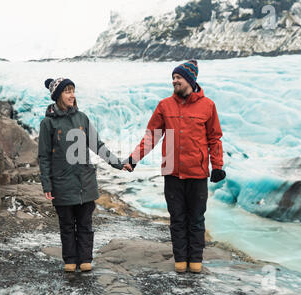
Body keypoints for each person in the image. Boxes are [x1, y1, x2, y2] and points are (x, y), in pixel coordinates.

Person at [125, 60, 226, 273]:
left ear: (190, 80)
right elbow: (151, 137)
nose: (174, 81)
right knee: (177, 219)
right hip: (172, 171)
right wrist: (134, 159)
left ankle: (195, 261)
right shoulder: (165, 105)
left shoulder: (208, 106)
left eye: (178, 77)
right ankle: (181, 261)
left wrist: (217, 166)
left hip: (197, 173)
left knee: (196, 219)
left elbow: (214, 138)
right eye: (173, 77)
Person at [38, 77, 129, 272]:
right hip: (62, 182)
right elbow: (44, 157)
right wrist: (47, 184)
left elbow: (97, 145)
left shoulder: (82, 118)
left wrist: (118, 164)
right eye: (67, 91)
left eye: (73, 90)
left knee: (85, 224)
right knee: (67, 225)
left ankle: (85, 258)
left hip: (85, 182)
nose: (72, 95)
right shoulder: (48, 124)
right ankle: (70, 260)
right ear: (57, 95)